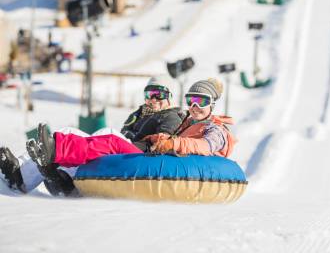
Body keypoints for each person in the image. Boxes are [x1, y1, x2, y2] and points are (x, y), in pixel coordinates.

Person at [0, 75, 184, 196]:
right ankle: (21, 175)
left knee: (108, 133)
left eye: (157, 94)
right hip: (124, 153)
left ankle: (57, 164)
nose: (152, 99)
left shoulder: (171, 116)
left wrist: (145, 145)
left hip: (141, 157)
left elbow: (162, 142)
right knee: (67, 132)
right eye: (149, 94)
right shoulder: (139, 113)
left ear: (170, 96)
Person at [27, 78, 236, 172]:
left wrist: (173, 144)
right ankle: (52, 154)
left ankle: (56, 152)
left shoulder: (215, 130)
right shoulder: (187, 122)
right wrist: (157, 140)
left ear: (213, 105)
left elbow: (203, 147)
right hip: (161, 160)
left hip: (168, 165)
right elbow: (167, 140)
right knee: (106, 141)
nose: (195, 106)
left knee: (111, 141)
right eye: (191, 100)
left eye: (202, 102)